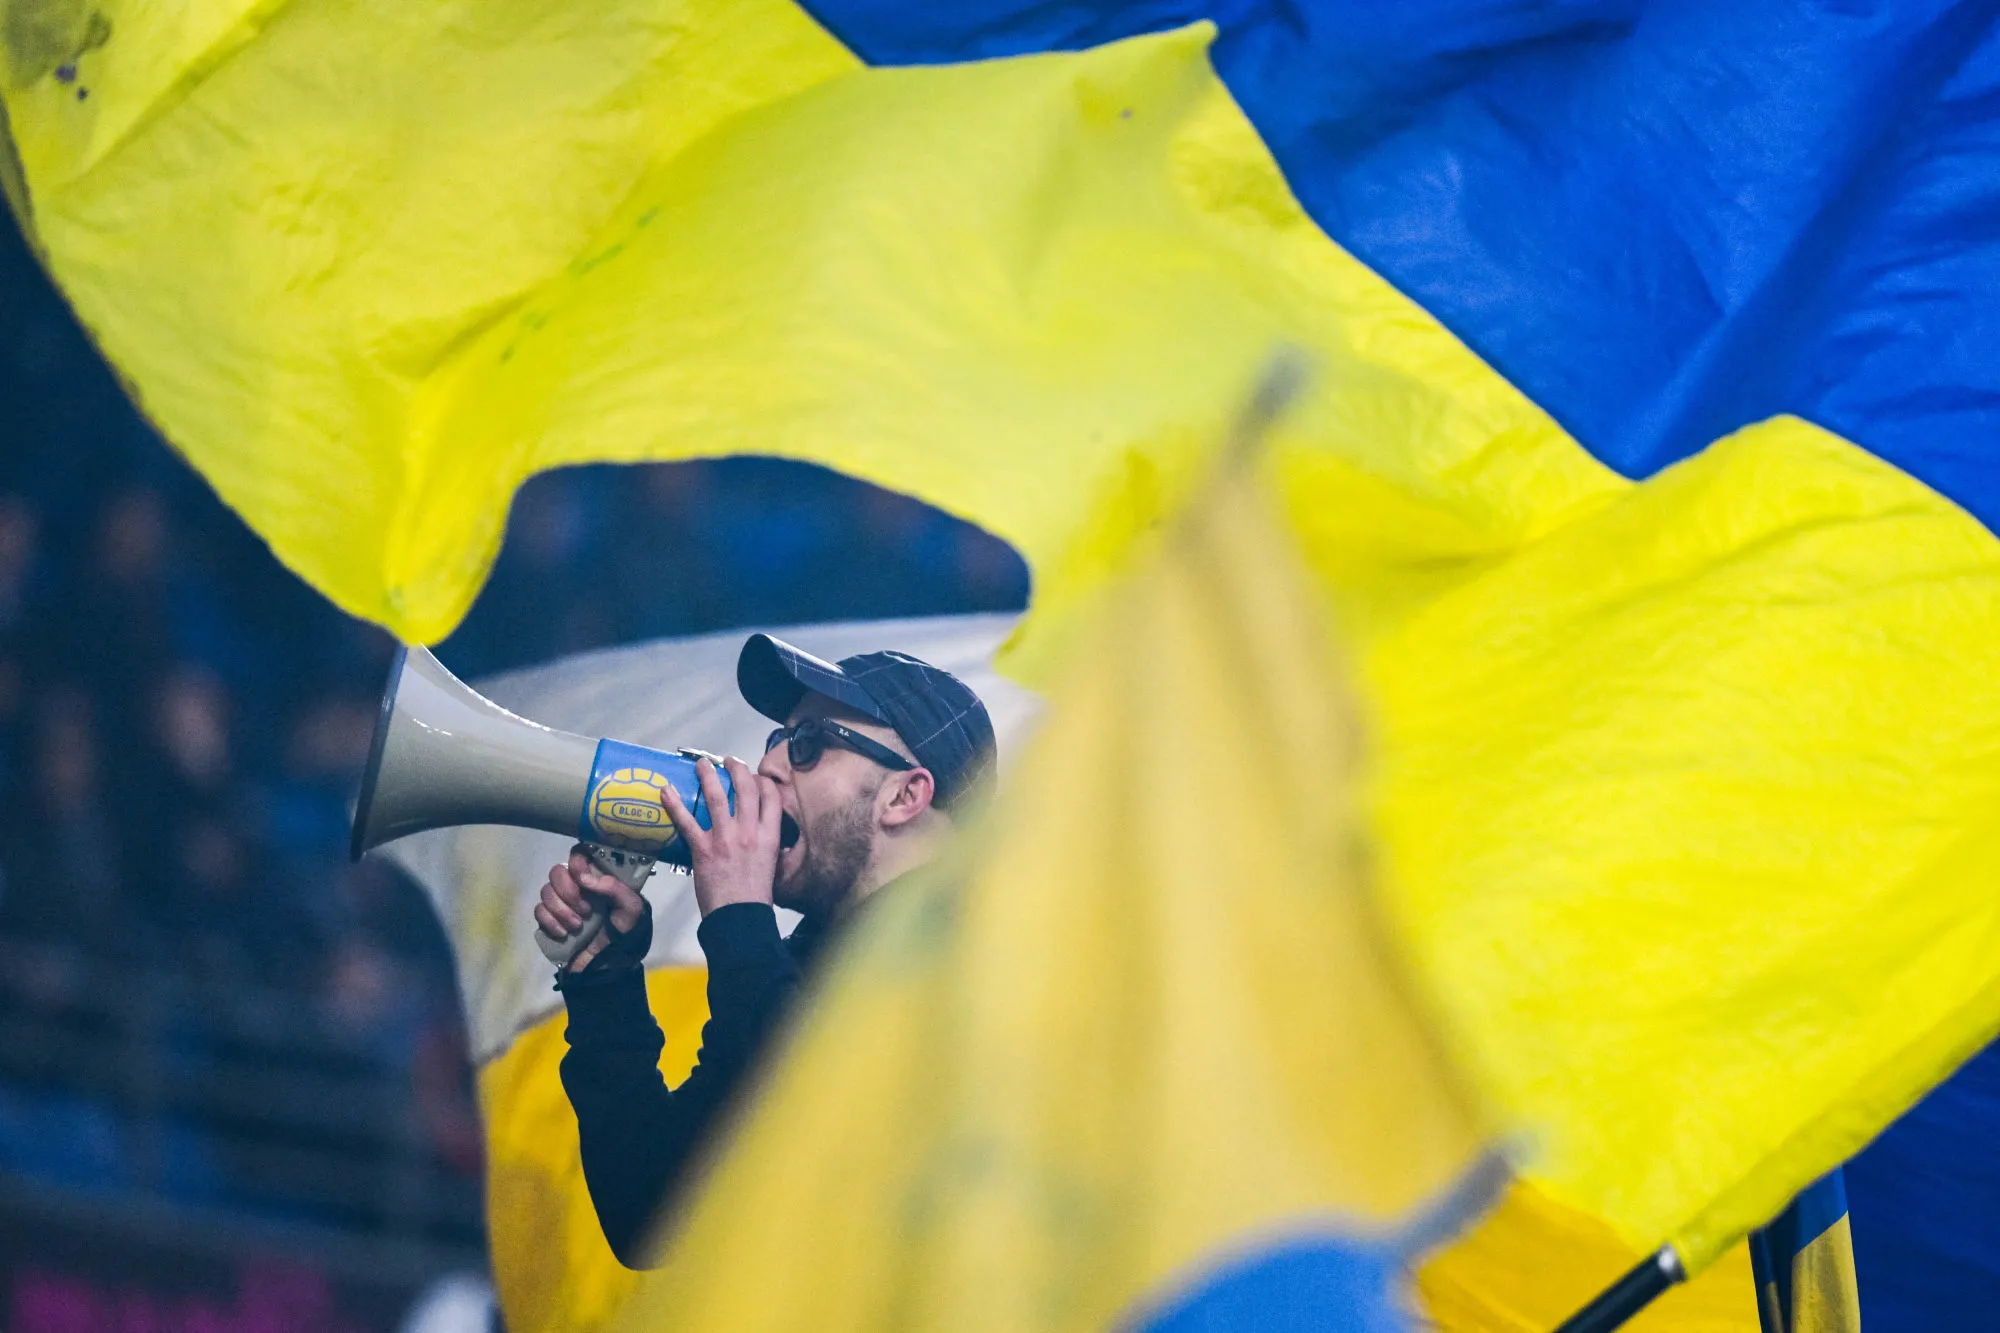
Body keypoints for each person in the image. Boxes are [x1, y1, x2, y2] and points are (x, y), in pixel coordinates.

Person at [534, 633, 996, 1267]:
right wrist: (606, 984)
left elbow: (819, 1129)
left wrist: (738, 917)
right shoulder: (794, 970)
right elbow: (649, 1213)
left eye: (807, 745)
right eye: (776, 740)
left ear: (905, 795)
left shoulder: (981, 960)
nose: (768, 766)